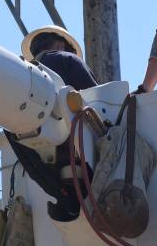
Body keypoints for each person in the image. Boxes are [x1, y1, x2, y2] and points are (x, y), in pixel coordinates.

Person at [9, 25, 98, 222]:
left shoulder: (18, 81)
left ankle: (65, 197)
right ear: (60, 44)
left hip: (45, 168)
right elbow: (96, 102)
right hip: (80, 155)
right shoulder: (68, 61)